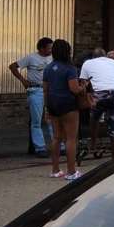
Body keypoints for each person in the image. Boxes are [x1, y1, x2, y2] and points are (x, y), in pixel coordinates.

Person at [42, 39, 84, 180]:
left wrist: (47, 107)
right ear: (67, 51)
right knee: (71, 139)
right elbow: (74, 89)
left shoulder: (48, 68)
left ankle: (55, 170)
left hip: (53, 104)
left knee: (56, 137)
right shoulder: (70, 68)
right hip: (68, 105)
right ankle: (71, 172)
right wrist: (83, 87)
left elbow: (45, 90)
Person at [9, 37, 54, 157]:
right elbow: (13, 66)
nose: (51, 50)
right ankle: (40, 148)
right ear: (41, 48)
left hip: (50, 90)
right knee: (36, 121)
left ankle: (59, 145)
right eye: (49, 48)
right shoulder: (31, 57)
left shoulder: (53, 58)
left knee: (52, 118)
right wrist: (23, 80)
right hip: (36, 90)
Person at [82, 47, 114, 160]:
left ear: (93, 57)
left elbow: (84, 83)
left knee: (94, 117)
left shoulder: (87, 63)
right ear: (105, 56)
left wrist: (88, 99)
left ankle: (93, 143)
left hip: (100, 93)